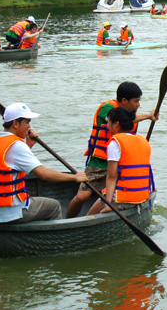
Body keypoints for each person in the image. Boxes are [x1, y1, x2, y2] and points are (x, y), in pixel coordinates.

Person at [0, 102, 87, 223]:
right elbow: (43, 174)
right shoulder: (17, 145)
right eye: (27, 122)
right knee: (54, 206)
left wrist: (28, 145)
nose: (29, 127)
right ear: (15, 124)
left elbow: (10, 164)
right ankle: (57, 240)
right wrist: (75, 177)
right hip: (10, 213)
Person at [66, 82, 158, 218]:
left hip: (119, 164)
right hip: (99, 162)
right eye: (136, 101)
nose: (138, 105)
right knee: (82, 197)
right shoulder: (107, 108)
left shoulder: (132, 114)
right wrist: (148, 116)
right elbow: (121, 120)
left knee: (108, 195)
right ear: (124, 101)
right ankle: (69, 220)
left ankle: (96, 217)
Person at [87, 107, 154, 215]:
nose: (107, 126)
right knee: (100, 200)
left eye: (108, 122)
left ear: (116, 124)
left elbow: (111, 177)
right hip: (143, 196)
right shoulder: (143, 141)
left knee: (89, 215)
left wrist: (108, 204)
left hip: (123, 199)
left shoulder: (115, 143)